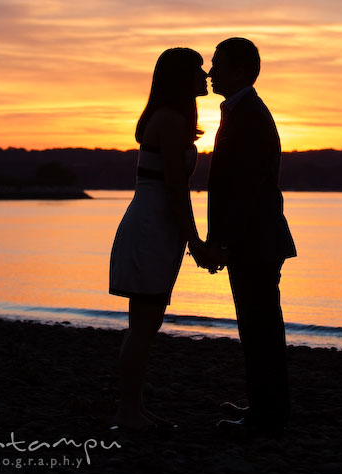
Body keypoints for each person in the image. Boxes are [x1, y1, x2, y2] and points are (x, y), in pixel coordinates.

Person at [108, 48, 213, 430]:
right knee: (143, 325)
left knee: (145, 323)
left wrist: (185, 238)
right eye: (198, 69)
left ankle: (133, 409)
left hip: (157, 227)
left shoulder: (172, 119)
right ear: (180, 78)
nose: (205, 75)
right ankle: (129, 412)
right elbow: (174, 189)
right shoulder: (168, 121)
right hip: (152, 227)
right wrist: (195, 240)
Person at [204, 38, 297, 435]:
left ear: (240, 71)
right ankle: (265, 405)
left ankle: (266, 414)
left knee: (259, 327)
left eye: (218, 64)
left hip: (254, 239)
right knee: (258, 325)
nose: (211, 72)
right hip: (254, 237)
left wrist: (221, 240)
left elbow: (243, 189)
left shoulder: (249, 116)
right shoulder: (240, 112)